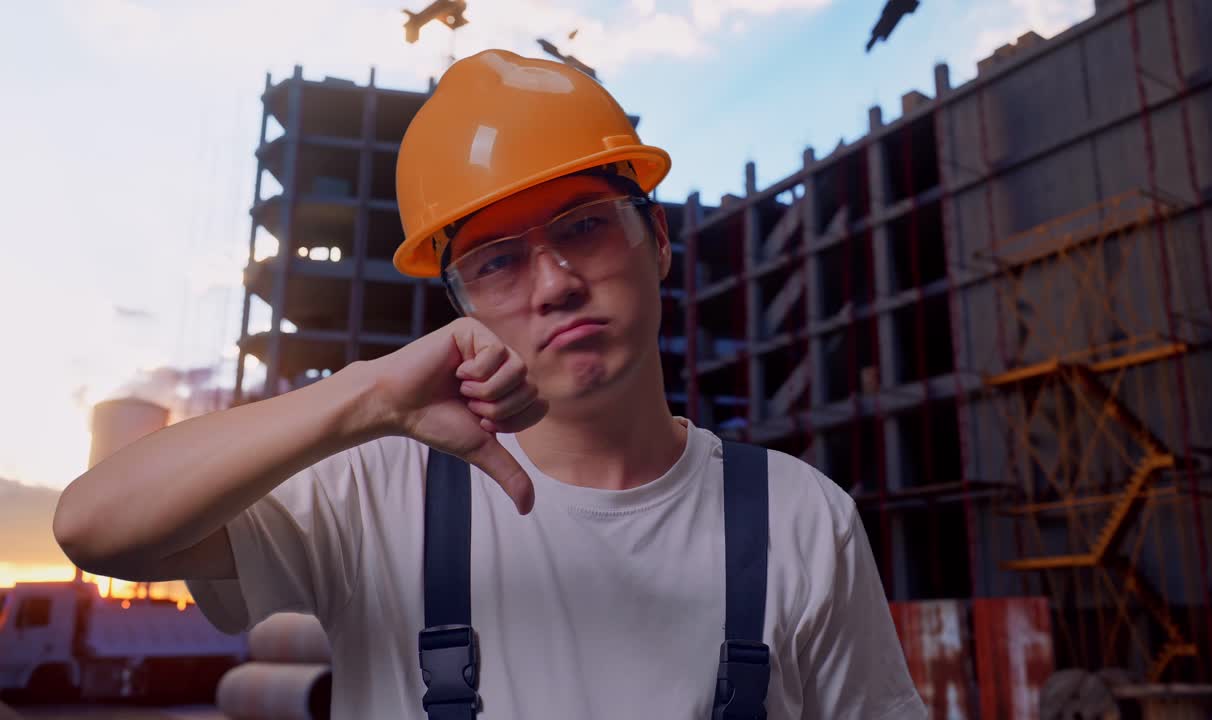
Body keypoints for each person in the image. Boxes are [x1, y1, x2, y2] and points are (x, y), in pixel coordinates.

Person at [53, 49, 925, 719]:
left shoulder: (800, 519)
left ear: (656, 238)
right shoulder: (377, 488)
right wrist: (365, 395)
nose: (553, 284)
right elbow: (95, 528)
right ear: (459, 302)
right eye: (499, 261)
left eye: (584, 227)